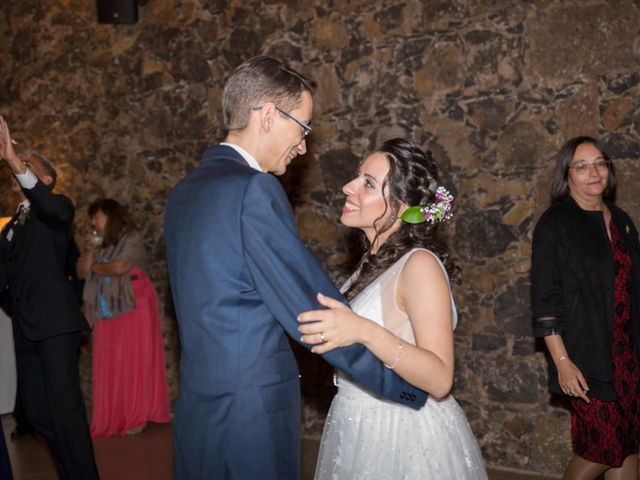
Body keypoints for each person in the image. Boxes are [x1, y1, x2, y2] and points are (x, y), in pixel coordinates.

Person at [164, 56, 427, 479]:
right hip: (251, 412)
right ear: (268, 115)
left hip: (198, 405)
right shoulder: (254, 189)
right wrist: (403, 385)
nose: (303, 145)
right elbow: (315, 310)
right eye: (302, 127)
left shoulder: (184, 193)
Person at [297, 138, 487, 479]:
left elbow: (441, 378)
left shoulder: (419, 265)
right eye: (357, 176)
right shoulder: (369, 264)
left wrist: (363, 330)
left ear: (401, 207)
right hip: (357, 420)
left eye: (368, 183)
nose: (347, 187)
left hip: (401, 428)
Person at [531, 136, 640, 479]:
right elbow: (545, 300)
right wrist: (562, 362)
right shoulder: (556, 223)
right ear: (567, 175)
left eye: (599, 163)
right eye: (581, 166)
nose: (593, 172)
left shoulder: (621, 220)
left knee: (628, 445)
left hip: (629, 357)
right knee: (602, 448)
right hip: (586, 357)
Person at [0, 116, 99, 479]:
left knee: (65, 412)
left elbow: (49, 207)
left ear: (44, 180)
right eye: (17, 164)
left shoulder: (58, 210)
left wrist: (12, 158)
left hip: (56, 327)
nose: (19, 168)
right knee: (38, 414)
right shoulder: (10, 228)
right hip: (25, 332)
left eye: (28, 166)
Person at [76, 198, 170, 437]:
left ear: (111, 216)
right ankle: (114, 414)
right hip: (106, 307)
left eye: (97, 216)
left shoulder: (132, 238)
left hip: (134, 304)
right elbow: (80, 271)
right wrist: (90, 249)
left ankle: (137, 415)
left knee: (134, 360)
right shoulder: (100, 244)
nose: (94, 222)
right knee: (110, 361)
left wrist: (96, 265)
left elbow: (120, 267)